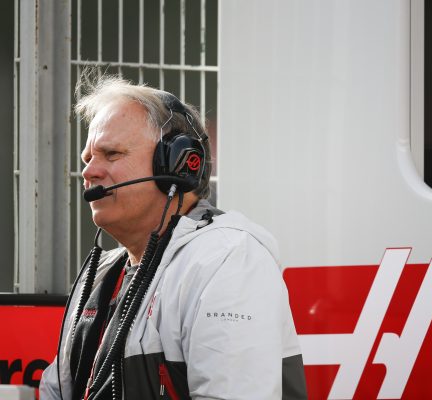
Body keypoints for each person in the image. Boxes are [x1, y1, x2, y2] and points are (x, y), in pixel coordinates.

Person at [40, 75, 307, 400]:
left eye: (111, 154)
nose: (89, 172)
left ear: (178, 164)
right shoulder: (100, 276)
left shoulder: (226, 258)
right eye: (87, 159)